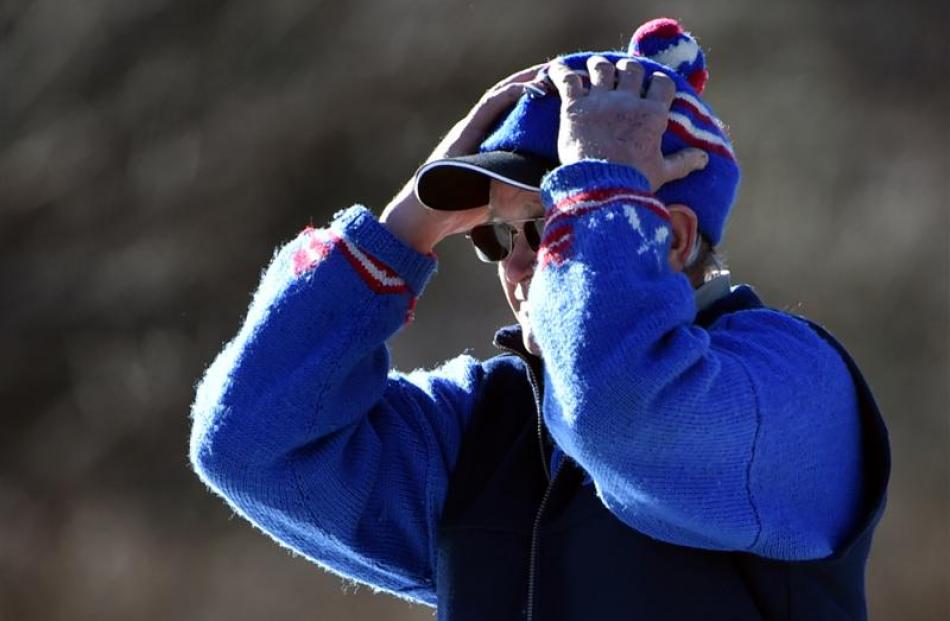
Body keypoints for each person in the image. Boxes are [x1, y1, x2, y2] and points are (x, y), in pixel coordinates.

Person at [190, 18, 889, 620]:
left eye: (555, 228)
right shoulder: (481, 427)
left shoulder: (795, 386)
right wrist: (400, 231)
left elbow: (619, 411)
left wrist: (601, 190)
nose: (519, 265)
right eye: (499, 232)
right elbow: (250, 442)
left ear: (671, 237)